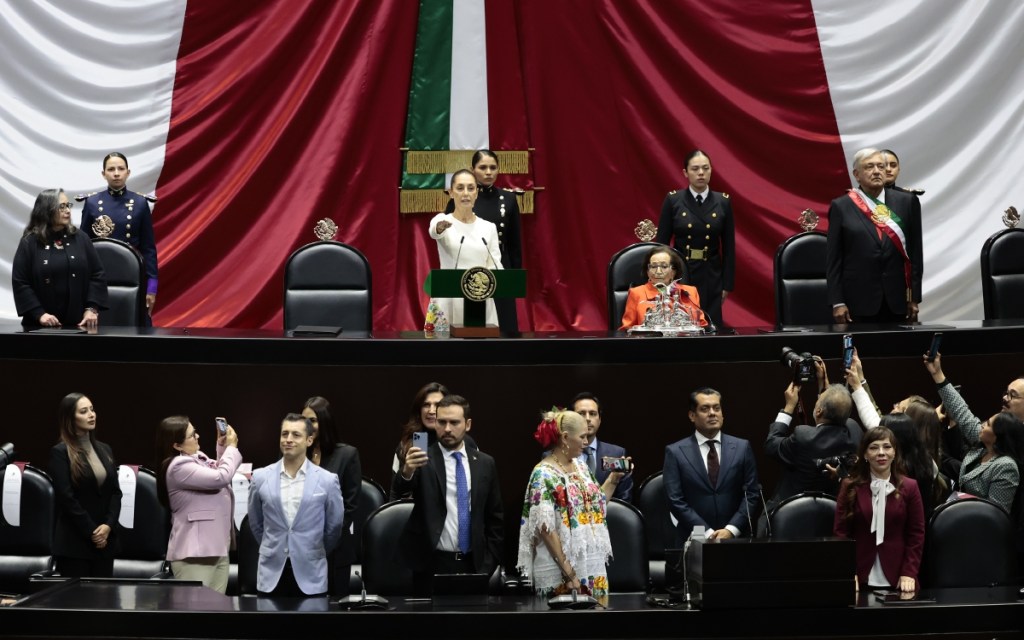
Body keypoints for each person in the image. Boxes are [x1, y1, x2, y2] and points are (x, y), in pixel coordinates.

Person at [392, 395, 503, 596]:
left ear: (467, 424)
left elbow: (495, 518)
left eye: (454, 422)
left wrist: (488, 565)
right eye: (441, 422)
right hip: (431, 564)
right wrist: (407, 472)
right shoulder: (422, 458)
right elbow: (398, 495)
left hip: (475, 564)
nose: (448, 429)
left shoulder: (485, 463)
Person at [518, 410, 617, 599]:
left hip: (590, 566)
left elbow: (596, 507)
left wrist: (613, 479)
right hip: (562, 575)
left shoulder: (581, 467)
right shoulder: (543, 474)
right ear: (565, 437)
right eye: (582, 437)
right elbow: (546, 529)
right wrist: (569, 574)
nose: (587, 442)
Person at [248, 413, 344, 596]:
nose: (288, 440)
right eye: (284, 434)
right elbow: (255, 522)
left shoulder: (327, 480)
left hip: (311, 571)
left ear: (309, 440)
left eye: (296, 435)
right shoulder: (260, 477)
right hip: (271, 572)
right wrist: (274, 545)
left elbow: (334, 526)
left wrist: (314, 548)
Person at [826, 148, 923, 324]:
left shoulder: (907, 202)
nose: (878, 171)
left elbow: (916, 253)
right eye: (870, 167)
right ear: (857, 174)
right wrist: (837, 301)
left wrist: (914, 296)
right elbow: (834, 259)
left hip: (898, 300)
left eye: (881, 166)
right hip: (857, 300)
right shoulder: (841, 206)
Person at [923, 353, 1024, 514]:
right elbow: (963, 414)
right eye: (1006, 392)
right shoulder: (991, 438)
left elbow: (997, 515)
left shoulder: (1007, 460)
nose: (1005, 398)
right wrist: (938, 374)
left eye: (1012, 395)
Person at [156, 416, 242, 593]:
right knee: (196, 614)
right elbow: (221, 477)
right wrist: (232, 448)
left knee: (216, 613)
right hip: (194, 554)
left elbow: (217, 470)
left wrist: (222, 446)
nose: (198, 436)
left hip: (216, 547)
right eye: (192, 434)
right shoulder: (178, 466)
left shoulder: (197, 458)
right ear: (177, 445)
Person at [833, 426, 925, 593]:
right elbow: (841, 533)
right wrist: (848, 572)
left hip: (899, 576)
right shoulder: (849, 486)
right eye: (874, 448)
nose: (881, 453)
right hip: (859, 575)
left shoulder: (910, 487)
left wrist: (909, 572)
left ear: (895, 452)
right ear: (865, 455)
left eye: (887, 447)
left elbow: (916, 534)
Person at [663, 387, 760, 544]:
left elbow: (752, 493)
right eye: (705, 409)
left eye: (717, 408)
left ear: (722, 414)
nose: (712, 413)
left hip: (735, 538)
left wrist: (731, 529)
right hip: (694, 538)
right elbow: (675, 500)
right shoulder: (675, 452)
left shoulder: (742, 447)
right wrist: (707, 533)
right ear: (692, 415)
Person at [444, 149, 523, 333]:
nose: (488, 172)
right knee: (470, 324)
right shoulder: (461, 198)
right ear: (473, 170)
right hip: (468, 267)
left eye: (493, 167)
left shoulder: (508, 199)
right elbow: (448, 239)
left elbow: (514, 242)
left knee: (504, 325)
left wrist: (514, 275)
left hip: (499, 265)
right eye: (483, 167)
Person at [655, 150, 735, 328]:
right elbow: (662, 245)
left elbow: (729, 248)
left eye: (705, 168)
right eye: (695, 168)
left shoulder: (722, 201)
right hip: (681, 273)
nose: (701, 173)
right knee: (681, 325)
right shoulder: (674, 200)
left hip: (711, 274)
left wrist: (727, 284)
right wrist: (663, 279)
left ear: (711, 171)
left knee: (709, 326)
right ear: (685, 172)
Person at [12, 189, 107, 330]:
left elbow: (97, 275)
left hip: (79, 324)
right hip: (39, 326)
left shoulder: (81, 238)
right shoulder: (29, 242)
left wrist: (91, 308)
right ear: (46, 210)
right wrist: (39, 314)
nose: (68, 210)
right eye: (61, 207)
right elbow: (21, 282)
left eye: (68, 205)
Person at [48, 393, 121, 577]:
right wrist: (92, 532)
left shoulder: (105, 449)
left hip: (105, 543)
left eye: (92, 409)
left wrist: (108, 526)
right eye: (84, 411)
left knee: (105, 603)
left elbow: (115, 493)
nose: (91, 414)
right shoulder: (60, 452)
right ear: (70, 418)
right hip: (75, 544)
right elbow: (66, 498)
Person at [80, 152, 159, 321]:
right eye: (111, 169)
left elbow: (148, 248)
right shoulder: (92, 202)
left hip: (132, 275)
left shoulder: (139, 203)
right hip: (99, 275)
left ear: (128, 173)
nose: (116, 173)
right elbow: (83, 247)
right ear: (104, 174)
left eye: (121, 169)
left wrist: (151, 287)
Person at [764, 383, 861, 513]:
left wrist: (789, 407)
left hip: (791, 515)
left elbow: (771, 445)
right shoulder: (854, 431)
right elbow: (838, 408)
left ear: (819, 410)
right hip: (834, 515)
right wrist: (822, 383)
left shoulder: (802, 436)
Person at [301, 396, 361, 595]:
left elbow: (350, 507)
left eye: (313, 420)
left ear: (325, 422)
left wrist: (326, 537)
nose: (307, 426)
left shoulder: (347, 455)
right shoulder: (295, 453)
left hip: (335, 548)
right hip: (299, 546)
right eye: (304, 420)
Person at [428, 169, 503, 327]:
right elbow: (434, 231)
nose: (466, 193)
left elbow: (495, 265)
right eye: (460, 188)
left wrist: (501, 279)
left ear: (477, 193)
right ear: (451, 192)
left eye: (470, 188)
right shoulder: (442, 220)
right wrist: (440, 228)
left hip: (480, 298)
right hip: (448, 298)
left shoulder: (488, 228)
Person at [619, 244, 708, 331]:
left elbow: (701, 326)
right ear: (647, 271)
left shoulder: (689, 292)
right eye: (653, 266)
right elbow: (626, 330)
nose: (658, 271)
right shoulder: (636, 293)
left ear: (673, 271)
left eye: (664, 266)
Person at [572, 392, 633, 501]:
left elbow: (625, 500)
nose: (587, 418)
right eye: (581, 413)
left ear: (600, 419)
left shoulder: (617, 454)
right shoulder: (557, 456)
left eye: (592, 413)